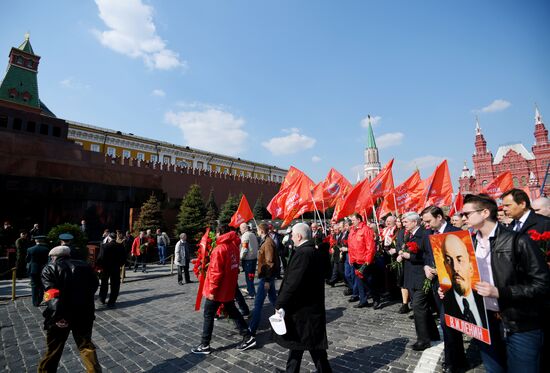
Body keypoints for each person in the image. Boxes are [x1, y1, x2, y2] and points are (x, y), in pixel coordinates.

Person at [461, 193, 549, 373]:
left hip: (519, 322)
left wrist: (501, 292)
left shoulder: (518, 240)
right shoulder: (469, 244)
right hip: (485, 321)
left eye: (466, 214)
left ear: (485, 213)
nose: (463, 218)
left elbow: (542, 284)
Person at [273, 222, 332, 373]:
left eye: (292, 235)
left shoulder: (303, 253)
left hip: (304, 308)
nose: (291, 238)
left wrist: (279, 303)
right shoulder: (311, 250)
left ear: (299, 236)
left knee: (308, 344)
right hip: (308, 307)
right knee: (301, 343)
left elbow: (292, 282)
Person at [191, 225, 255, 355]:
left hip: (218, 290)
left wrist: (212, 291)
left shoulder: (219, 249)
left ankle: (204, 344)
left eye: (216, 233)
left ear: (220, 233)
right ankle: (248, 336)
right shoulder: (233, 246)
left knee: (208, 314)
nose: (214, 235)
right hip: (228, 288)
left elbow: (216, 272)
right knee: (233, 311)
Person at [38, 245, 101, 372]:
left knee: (54, 348)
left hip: (62, 314)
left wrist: (58, 316)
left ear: (54, 257)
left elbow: (52, 294)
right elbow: (94, 286)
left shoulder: (49, 268)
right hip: (84, 313)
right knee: (86, 346)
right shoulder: (85, 266)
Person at [421, 206, 467, 373]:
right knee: (449, 323)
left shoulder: (455, 232)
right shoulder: (428, 234)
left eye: (428, 221)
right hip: (436, 284)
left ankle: (451, 363)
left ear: (439, 217)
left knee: (448, 323)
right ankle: (460, 359)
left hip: (453, 285)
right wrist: (427, 266)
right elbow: (426, 255)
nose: (426, 225)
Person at [400, 212, 439, 351]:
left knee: (417, 306)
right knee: (422, 307)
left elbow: (427, 256)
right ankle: (433, 334)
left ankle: (423, 340)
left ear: (414, 222)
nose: (404, 224)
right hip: (411, 276)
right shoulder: (409, 235)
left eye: (406, 222)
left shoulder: (424, 234)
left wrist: (409, 256)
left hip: (422, 276)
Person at [441, 234, 487, 328]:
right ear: (445, 266)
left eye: (459, 260)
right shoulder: (447, 300)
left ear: (471, 267)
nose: (455, 268)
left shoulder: (483, 298)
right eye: (449, 260)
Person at [248, 223, 279, 340]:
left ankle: (252, 329)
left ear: (261, 230)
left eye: (258, 230)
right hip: (267, 276)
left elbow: (269, 262)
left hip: (266, 277)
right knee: (274, 300)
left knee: (258, 304)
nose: (256, 232)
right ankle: (284, 319)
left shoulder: (268, 242)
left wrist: (266, 280)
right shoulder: (266, 241)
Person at [348, 213, 380, 309]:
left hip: (365, 260)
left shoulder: (366, 230)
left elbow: (370, 246)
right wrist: (351, 258)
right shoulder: (352, 230)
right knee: (360, 282)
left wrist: (368, 260)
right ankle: (363, 300)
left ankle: (376, 299)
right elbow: (350, 245)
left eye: (353, 220)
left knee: (369, 281)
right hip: (355, 260)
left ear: (359, 219)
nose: (352, 222)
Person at [97, 232, 125, 307]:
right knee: (115, 285)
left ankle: (102, 299)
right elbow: (123, 259)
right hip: (116, 268)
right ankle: (112, 301)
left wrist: (99, 267)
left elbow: (100, 258)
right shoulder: (120, 246)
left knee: (104, 283)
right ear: (115, 238)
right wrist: (119, 265)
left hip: (106, 268)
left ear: (109, 238)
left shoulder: (104, 246)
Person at [26, 235, 50, 306]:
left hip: (33, 269)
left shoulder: (30, 249)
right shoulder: (46, 249)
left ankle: (35, 302)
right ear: (43, 241)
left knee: (34, 286)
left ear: (35, 241)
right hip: (43, 269)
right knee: (43, 285)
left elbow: (27, 260)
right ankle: (41, 299)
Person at [239, 223, 259, 298]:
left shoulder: (245, 236)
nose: (240, 230)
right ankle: (250, 289)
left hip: (248, 260)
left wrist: (241, 258)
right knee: (251, 276)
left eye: (240, 229)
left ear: (244, 228)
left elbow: (244, 248)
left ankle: (251, 293)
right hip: (254, 259)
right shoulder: (253, 234)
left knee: (249, 277)